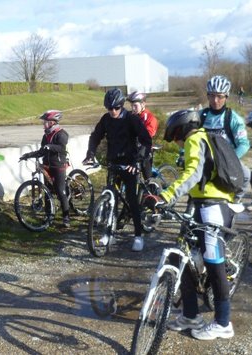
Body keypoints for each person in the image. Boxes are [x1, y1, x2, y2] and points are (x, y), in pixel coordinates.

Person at [152, 109, 235, 340]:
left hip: (213, 207)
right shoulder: (203, 138)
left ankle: (223, 323)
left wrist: (166, 196)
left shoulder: (195, 139)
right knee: (184, 256)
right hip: (202, 204)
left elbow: (193, 174)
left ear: (182, 129)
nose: (177, 143)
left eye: (175, 137)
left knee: (214, 263)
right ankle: (190, 315)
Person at [82, 88, 152, 252]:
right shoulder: (106, 119)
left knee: (132, 200)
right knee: (110, 199)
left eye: (116, 108)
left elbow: (146, 141)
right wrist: (91, 153)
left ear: (121, 106)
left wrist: (137, 161)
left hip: (130, 165)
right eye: (109, 108)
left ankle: (138, 235)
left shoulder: (132, 120)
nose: (113, 111)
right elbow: (95, 136)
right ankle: (109, 233)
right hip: (113, 163)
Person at [200, 75, 251, 202]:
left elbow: (244, 144)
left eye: (220, 96)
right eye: (211, 95)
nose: (215, 100)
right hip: (203, 159)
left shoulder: (233, 118)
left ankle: (234, 201)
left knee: (246, 175)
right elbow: (189, 138)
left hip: (225, 160)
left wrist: (230, 160)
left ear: (226, 96)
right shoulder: (200, 116)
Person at [19, 110, 71, 228]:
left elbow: (62, 148)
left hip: (58, 166)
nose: (44, 124)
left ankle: (66, 216)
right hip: (47, 166)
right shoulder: (46, 135)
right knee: (46, 191)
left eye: (45, 122)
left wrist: (50, 146)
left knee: (60, 191)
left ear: (52, 122)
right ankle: (49, 215)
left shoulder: (61, 133)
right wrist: (28, 155)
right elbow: (42, 151)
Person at [127, 91, 159, 182]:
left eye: (135, 106)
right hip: (134, 149)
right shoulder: (132, 116)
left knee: (146, 175)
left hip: (145, 148)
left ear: (143, 104)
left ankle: (152, 190)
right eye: (131, 106)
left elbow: (147, 136)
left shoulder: (150, 118)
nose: (133, 109)